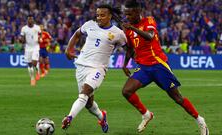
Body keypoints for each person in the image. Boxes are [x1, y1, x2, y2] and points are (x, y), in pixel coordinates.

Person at [121, 1, 209, 135]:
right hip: (144, 68)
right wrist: (125, 63)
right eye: (126, 14)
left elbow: (150, 37)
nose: (127, 17)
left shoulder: (148, 20)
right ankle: (146, 114)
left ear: (138, 11)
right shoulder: (128, 28)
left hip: (158, 65)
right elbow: (129, 48)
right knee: (127, 91)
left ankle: (200, 120)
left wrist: (132, 28)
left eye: (130, 14)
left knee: (177, 98)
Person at [62, 4, 127, 133]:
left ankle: (69, 117)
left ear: (110, 16)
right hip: (81, 66)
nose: (99, 18)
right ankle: (102, 117)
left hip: (98, 68)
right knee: (88, 103)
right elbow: (76, 34)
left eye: (102, 15)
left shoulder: (118, 33)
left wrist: (126, 64)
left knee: (84, 93)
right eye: (98, 15)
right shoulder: (89, 25)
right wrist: (69, 48)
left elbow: (128, 48)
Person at [20, 15, 41, 86]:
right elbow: (22, 37)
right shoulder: (24, 29)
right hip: (28, 48)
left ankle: (38, 70)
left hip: (35, 47)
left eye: (31, 19)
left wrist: (39, 39)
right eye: (29, 19)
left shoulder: (37, 28)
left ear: (33, 20)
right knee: (29, 65)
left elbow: (40, 34)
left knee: (34, 62)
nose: (30, 21)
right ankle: (32, 78)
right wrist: (22, 40)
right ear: (27, 20)